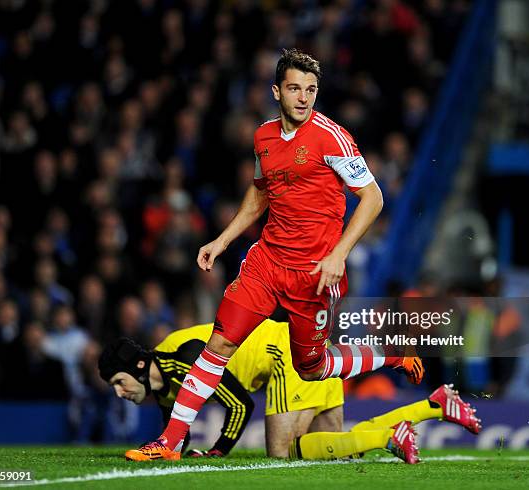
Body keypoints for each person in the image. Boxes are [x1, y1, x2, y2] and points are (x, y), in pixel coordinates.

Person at [132, 48, 424, 460]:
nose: (304, 98)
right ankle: (169, 442)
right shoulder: (264, 137)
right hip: (266, 262)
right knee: (218, 345)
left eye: (311, 90)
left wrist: (339, 253)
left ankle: (387, 353)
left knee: (312, 367)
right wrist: (222, 240)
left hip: (315, 273)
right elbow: (259, 192)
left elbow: (373, 197)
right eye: (294, 89)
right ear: (276, 92)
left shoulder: (331, 136)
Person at [98, 320, 481, 463]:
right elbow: (175, 436)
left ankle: (388, 436)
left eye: (118, 382)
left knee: (285, 454)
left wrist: (217, 451)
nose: (119, 393)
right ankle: (433, 406)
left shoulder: (184, 358)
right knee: (335, 446)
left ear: (137, 366)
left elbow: (240, 405)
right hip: (301, 344)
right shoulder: (164, 385)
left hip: (284, 354)